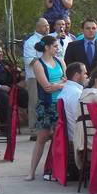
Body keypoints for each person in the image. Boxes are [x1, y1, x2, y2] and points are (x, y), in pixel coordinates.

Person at [25, 35, 66, 181]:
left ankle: (54, 170)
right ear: (47, 47)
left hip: (60, 104)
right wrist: (60, 85)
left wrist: (58, 85)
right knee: (42, 138)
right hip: (47, 104)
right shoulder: (38, 64)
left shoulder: (60, 61)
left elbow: (65, 79)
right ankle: (31, 171)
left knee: (58, 138)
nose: (57, 48)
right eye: (55, 46)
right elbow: (47, 87)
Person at [23, 18, 50, 135]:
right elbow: (29, 59)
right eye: (45, 26)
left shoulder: (49, 40)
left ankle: (47, 128)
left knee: (48, 102)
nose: (47, 28)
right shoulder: (31, 42)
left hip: (49, 75)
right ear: (38, 27)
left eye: (48, 25)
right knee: (35, 102)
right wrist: (44, 65)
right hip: (34, 76)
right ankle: (34, 129)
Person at [59, 61, 87, 160]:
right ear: (76, 76)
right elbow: (81, 119)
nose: (86, 76)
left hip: (72, 134)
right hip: (78, 137)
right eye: (84, 73)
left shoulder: (67, 89)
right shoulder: (76, 93)